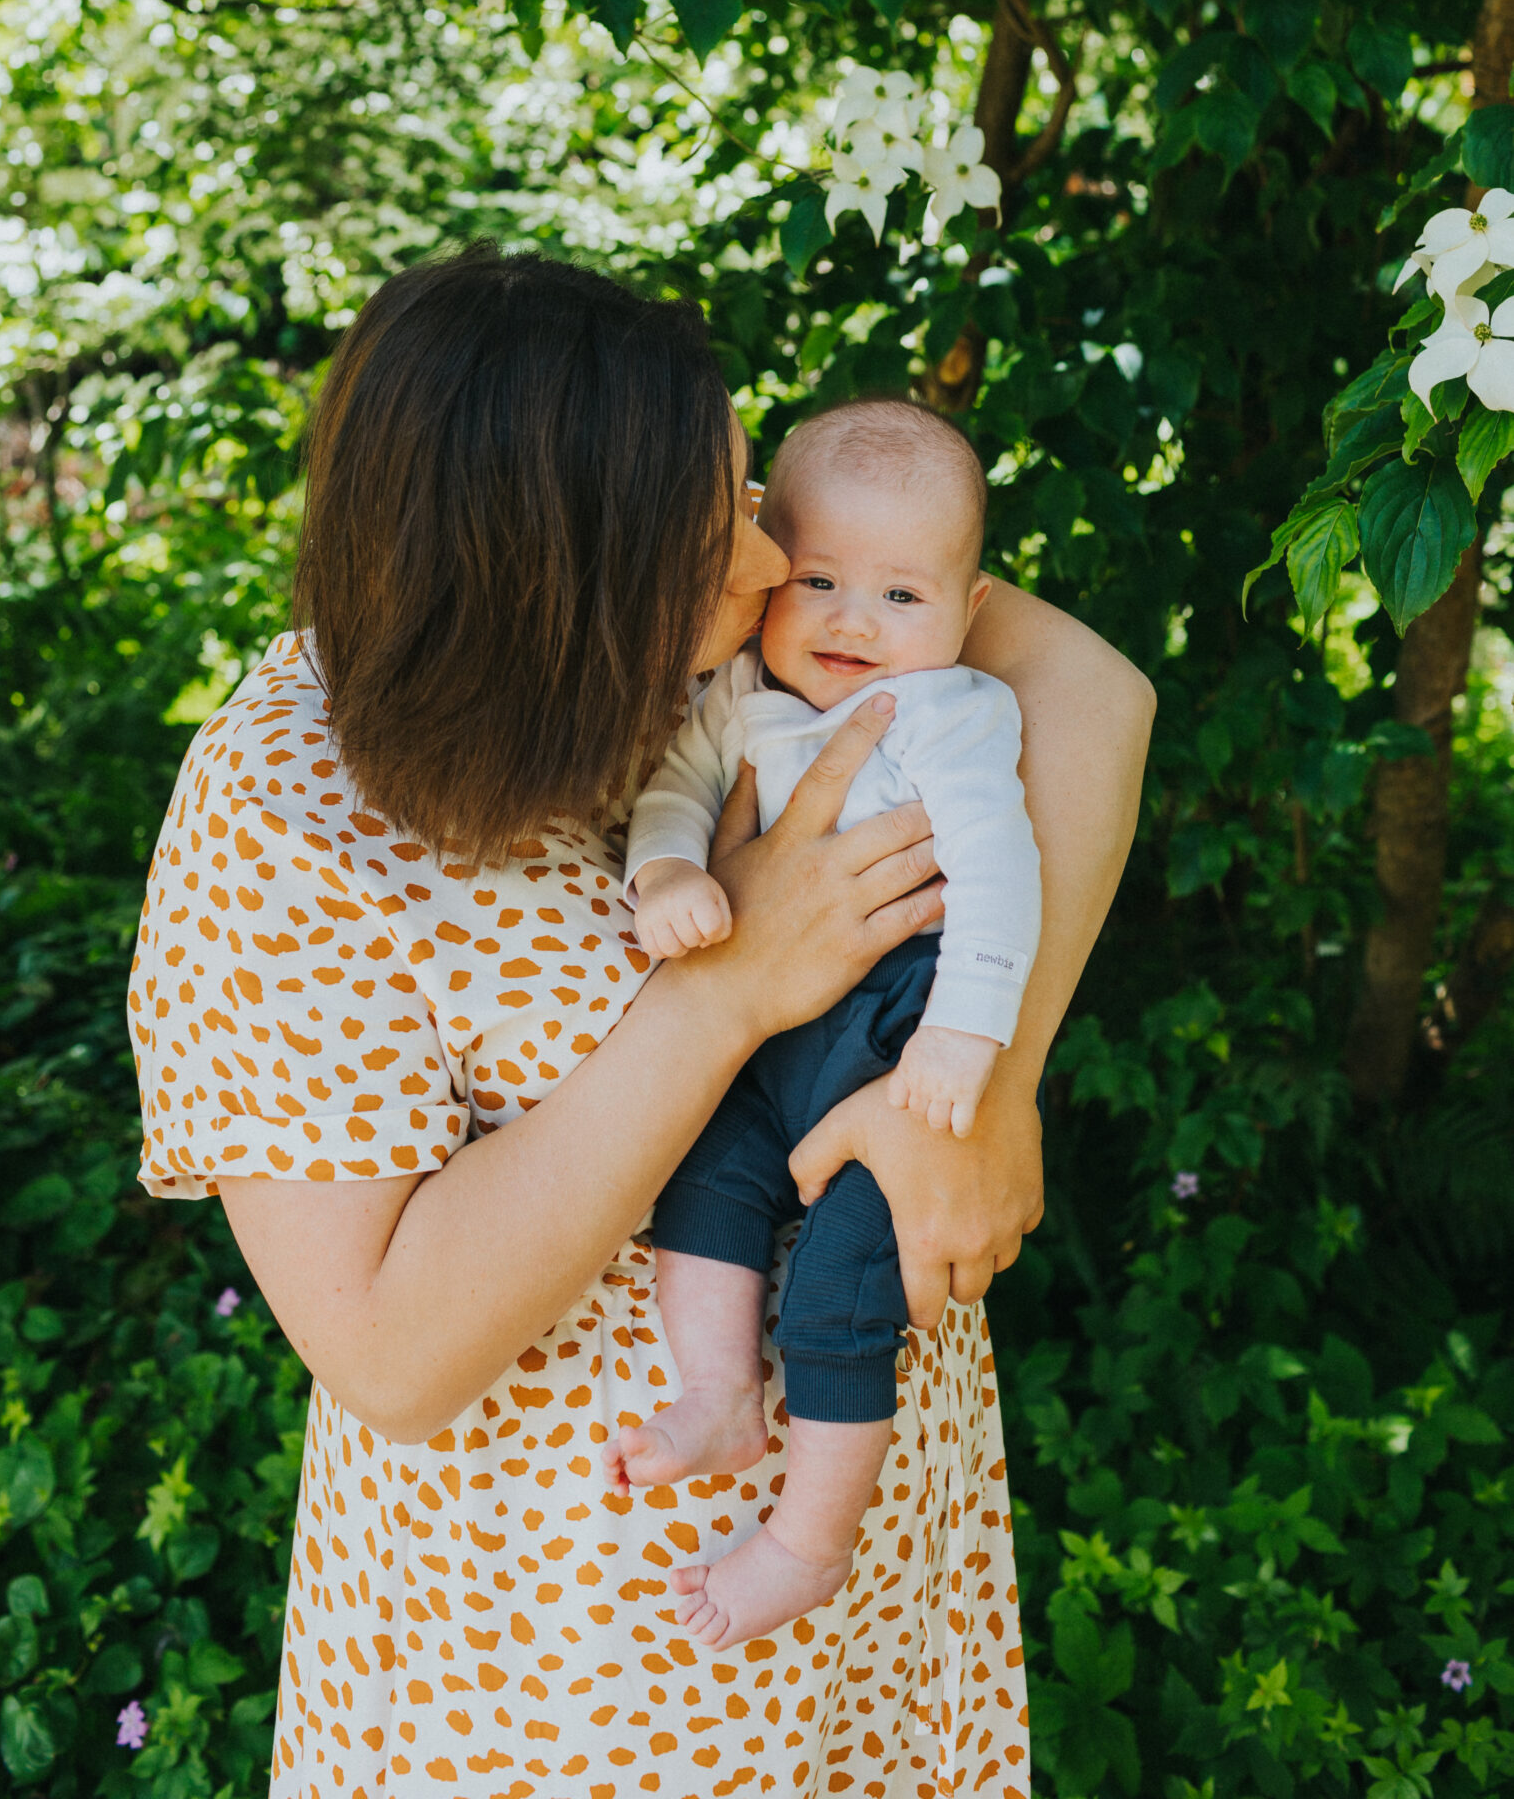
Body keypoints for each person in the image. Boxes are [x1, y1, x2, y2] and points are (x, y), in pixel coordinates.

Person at [127, 247, 1153, 1799]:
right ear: (560, 566)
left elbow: (1087, 692)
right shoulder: (287, 817)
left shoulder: (701, 673)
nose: (770, 565)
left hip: (867, 1590)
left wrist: (982, 1092)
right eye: (721, 528)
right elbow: (390, 1353)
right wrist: (731, 991)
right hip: (568, 1667)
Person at [612, 397, 1042, 1649]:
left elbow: (999, 864)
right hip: (766, 1045)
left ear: (966, 614)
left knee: (849, 1283)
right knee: (700, 1176)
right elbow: (673, 794)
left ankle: (808, 1539)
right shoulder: (741, 694)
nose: (856, 621)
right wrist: (670, 876)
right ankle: (715, 1392)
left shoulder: (952, 709)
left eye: (903, 597)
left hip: (905, 1028)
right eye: (820, 579)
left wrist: (969, 1035)